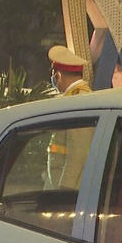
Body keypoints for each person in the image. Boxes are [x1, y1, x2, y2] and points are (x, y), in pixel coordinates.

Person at [44, 45, 94, 190]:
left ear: (57, 75)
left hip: (70, 189)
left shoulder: (79, 103)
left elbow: (78, 153)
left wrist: (65, 190)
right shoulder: (74, 100)